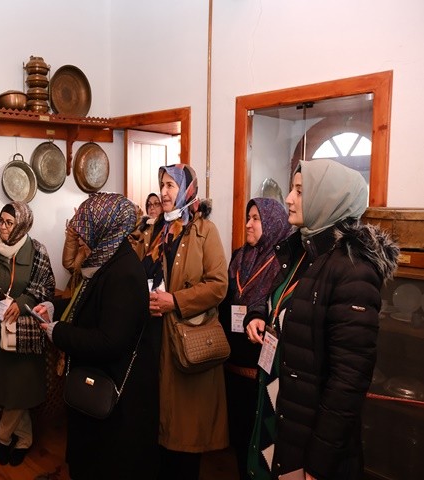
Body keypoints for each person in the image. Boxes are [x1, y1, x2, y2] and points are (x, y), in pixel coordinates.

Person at [245, 159, 399, 480]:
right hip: (282, 410)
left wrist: (319, 463)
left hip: (308, 439)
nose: (288, 198)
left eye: (300, 191)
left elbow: (348, 381)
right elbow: (287, 307)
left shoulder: (352, 269)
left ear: (328, 199)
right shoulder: (304, 251)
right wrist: (264, 318)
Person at [36, 192, 160, 480]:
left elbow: (111, 341)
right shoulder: (106, 260)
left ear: (104, 227)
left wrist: (60, 333)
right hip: (98, 388)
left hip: (116, 398)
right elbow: (87, 303)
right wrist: (57, 306)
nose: (79, 236)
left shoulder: (124, 272)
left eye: (85, 228)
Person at [132, 163, 229, 480]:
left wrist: (175, 301)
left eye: (171, 185)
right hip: (153, 337)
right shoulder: (153, 229)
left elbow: (218, 285)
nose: (163, 192)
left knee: (185, 431)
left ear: (188, 189)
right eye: (162, 184)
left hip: (186, 339)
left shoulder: (204, 231)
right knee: (156, 423)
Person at [0, 201, 55, 467]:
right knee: (8, 391)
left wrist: (21, 303)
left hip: (26, 336)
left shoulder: (38, 250)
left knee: (21, 390)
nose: (3, 227)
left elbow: (47, 287)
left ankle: (3, 436)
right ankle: (24, 439)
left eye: (9, 222)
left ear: (22, 224)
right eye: (1, 221)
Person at [218, 197, 291, 480]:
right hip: (232, 361)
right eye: (248, 217)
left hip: (261, 367)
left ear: (272, 223)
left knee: (259, 437)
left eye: (256, 219)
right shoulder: (239, 256)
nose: (248, 224)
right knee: (238, 435)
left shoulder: (281, 264)